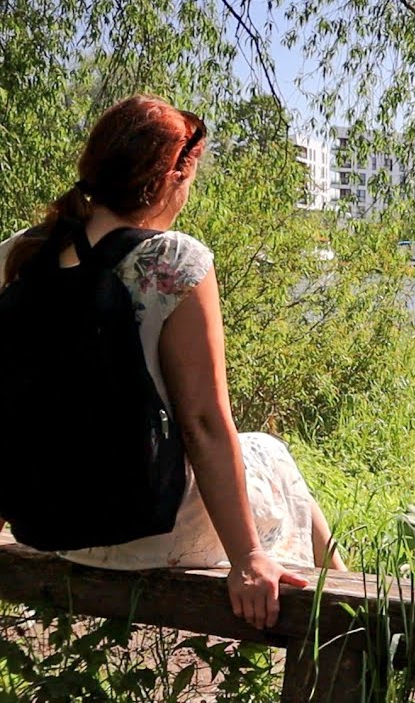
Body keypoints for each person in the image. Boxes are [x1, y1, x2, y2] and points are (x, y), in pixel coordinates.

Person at [0, 95, 345, 631]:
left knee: (260, 453)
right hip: (146, 527)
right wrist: (247, 558)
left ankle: (347, 600)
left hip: (46, 520)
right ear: (168, 178)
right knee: (270, 453)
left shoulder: (18, 253)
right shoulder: (173, 260)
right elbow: (203, 424)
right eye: (189, 179)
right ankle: (350, 615)